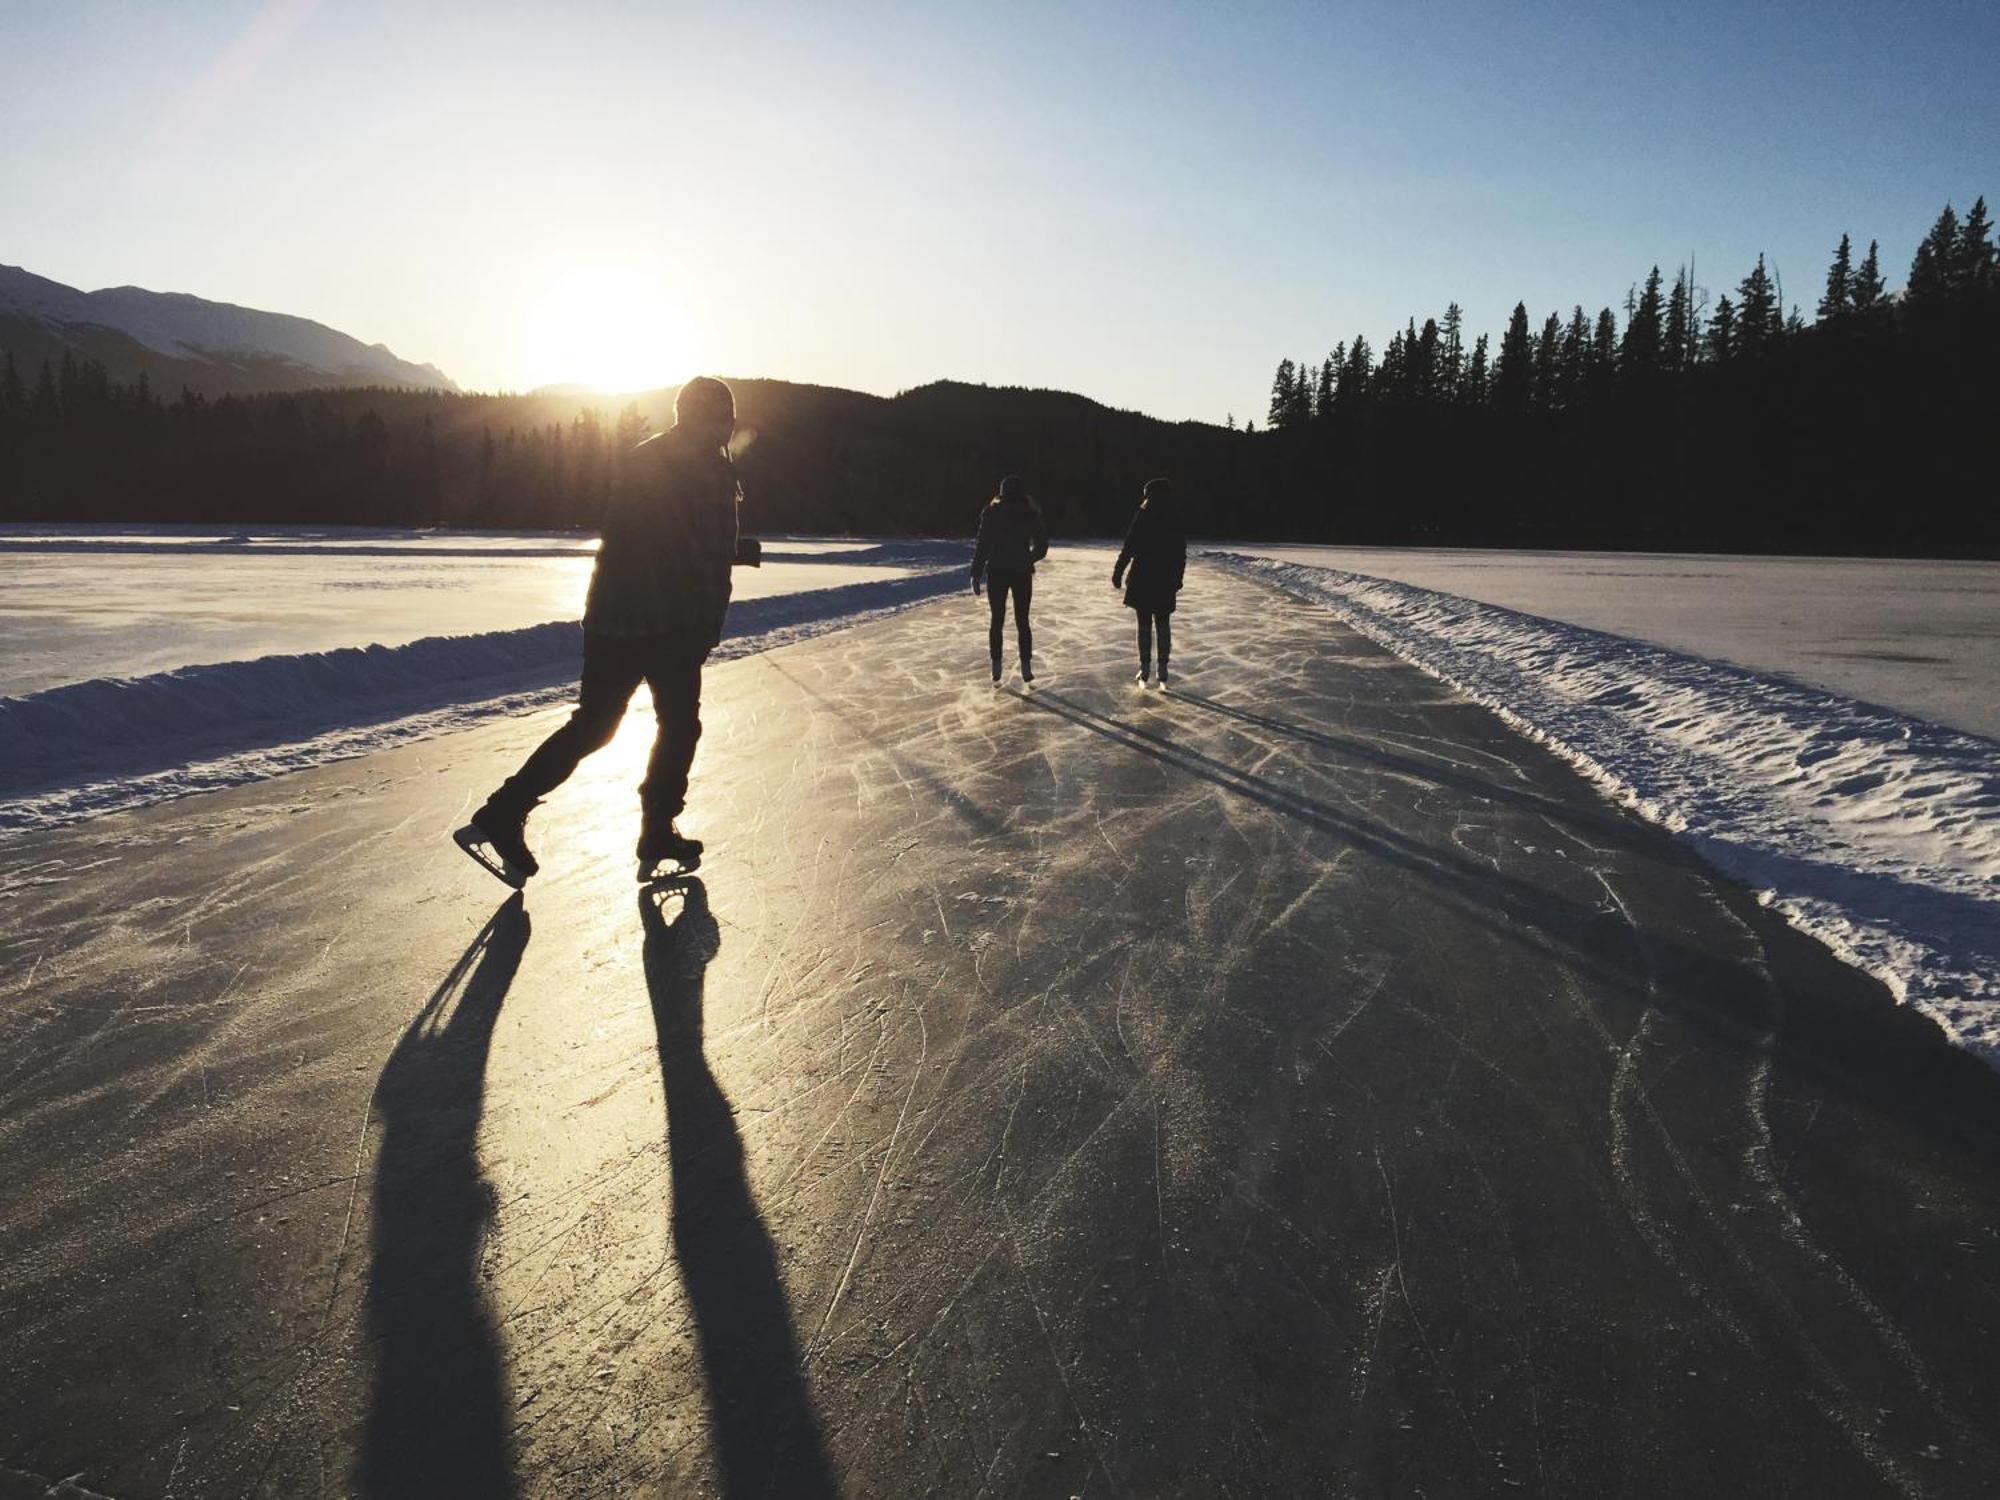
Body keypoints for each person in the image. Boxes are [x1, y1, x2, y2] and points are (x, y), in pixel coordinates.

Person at [455, 376, 759, 887]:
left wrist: (727, 550)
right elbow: (691, 549)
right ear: (710, 419)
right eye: (722, 418)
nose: (726, 427)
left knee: (596, 723)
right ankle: (656, 829)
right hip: (666, 622)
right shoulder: (705, 467)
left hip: (615, 615)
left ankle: (503, 812)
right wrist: (705, 614)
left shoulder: (653, 455)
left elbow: (659, 535)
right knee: (678, 725)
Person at [970, 474, 1050, 687]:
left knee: (997, 619)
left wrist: (975, 574)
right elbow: (1042, 547)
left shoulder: (991, 513)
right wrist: (1027, 558)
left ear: (1002, 492)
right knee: (1022, 620)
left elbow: (982, 545)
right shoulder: (1030, 513)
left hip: (997, 571)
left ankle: (996, 667)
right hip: (1021, 573)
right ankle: (1026, 668)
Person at [1111, 477, 1186, 688]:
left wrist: (1118, 572)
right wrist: (1178, 577)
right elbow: (1181, 553)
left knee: (1144, 624)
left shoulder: (1143, 516)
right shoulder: (1174, 518)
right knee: (1162, 623)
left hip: (1142, 577)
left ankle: (1145, 667)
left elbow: (1129, 546)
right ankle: (1162, 667)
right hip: (1165, 578)